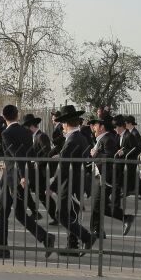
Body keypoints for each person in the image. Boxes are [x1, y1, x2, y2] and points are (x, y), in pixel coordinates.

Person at [0, 104, 56, 258]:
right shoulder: (26, 132)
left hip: (14, 178)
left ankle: (2, 249)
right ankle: (45, 238)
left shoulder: (6, 133)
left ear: (4, 117)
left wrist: (21, 176)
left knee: (4, 213)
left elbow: (15, 154)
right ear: (17, 115)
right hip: (20, 175)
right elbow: (25, 153)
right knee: (17, 213)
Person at [51, 105, 94, 253]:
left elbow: (65, 166)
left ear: (66, 123)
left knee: (62, 215)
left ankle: (87, 237)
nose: (61, 126)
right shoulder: (78, 137)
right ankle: (72, 245)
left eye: (62, 123)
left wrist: (52, 186)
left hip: (70, 183)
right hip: (75, 182)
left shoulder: (73, 139)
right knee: (71, 215)